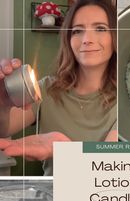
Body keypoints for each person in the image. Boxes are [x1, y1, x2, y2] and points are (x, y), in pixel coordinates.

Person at [0, 0, 117, 175]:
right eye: (77, 30)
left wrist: (65, 150)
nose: (87, 40)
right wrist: (3, 104)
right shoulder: (47, 88)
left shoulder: (126, 101)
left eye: (100, 28)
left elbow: (110, 172)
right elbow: (3, 129)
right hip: (51, 198)